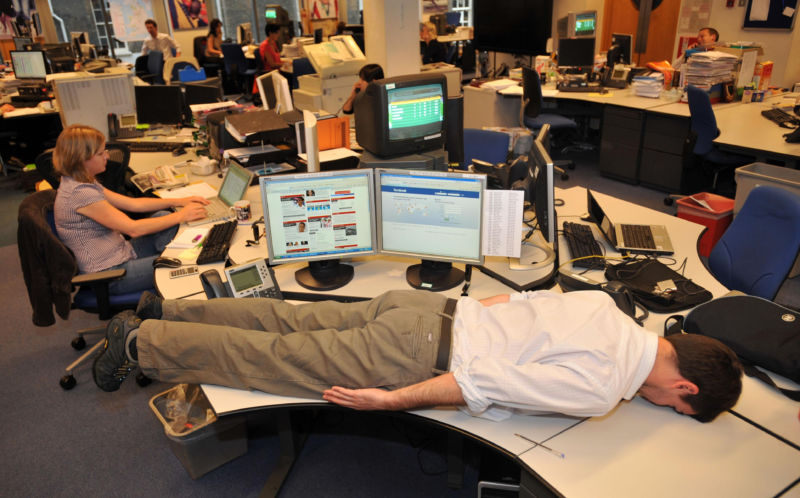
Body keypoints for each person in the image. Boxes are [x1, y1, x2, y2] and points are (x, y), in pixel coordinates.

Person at [93, 289, 742, 423]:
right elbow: (476, 379)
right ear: (684, 388)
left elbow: (509, 299)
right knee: (273, 359)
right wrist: (394, 398)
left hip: (424, 308)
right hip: (417, 349)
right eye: (676, 407)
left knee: (285, 317)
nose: (660, 407)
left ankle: (170, 311)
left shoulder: (607, 306)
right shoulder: (604, 387)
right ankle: (142, 342)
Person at [53, 125, 208, 294]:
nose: (107, 156)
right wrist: (182, 216)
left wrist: (179, 201)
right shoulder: (79, 194)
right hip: (111, 273)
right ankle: (180, 278)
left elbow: (133, 204)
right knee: (185, 264)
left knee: (164, 216)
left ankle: (174, 263)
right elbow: (133, 229)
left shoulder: (81, 180)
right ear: (82, 159)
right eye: (100, 153)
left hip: (121, 251)